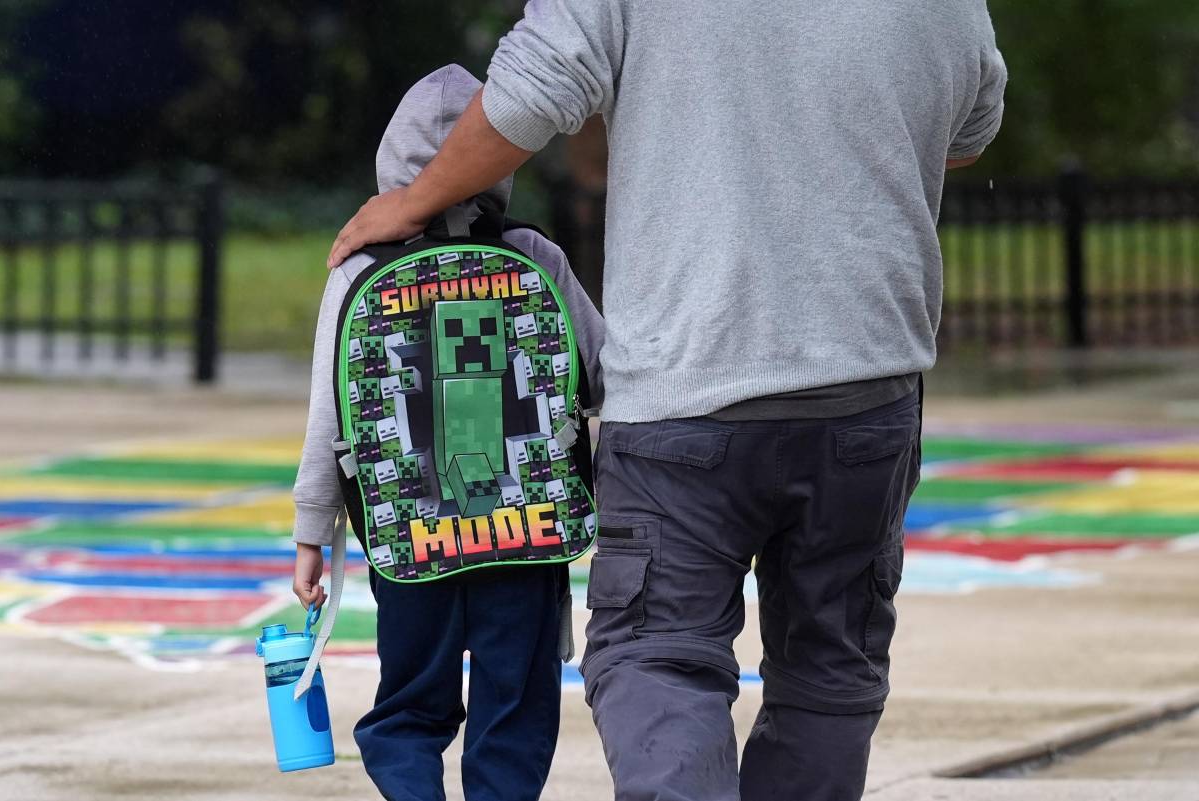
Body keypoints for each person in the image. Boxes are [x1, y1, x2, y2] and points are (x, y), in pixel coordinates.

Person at [326, 3, 1007, 799]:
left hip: (688, 387)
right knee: (829, 666)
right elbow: (971, 128)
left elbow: (529, 92)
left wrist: (418, 200)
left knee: (657, 655)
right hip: (867, 384)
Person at [292, 64, 604, 801]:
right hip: (523, 533)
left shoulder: (359, 268)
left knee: (408, 704)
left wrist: (312, 532)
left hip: (410, 536)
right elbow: (600, 373)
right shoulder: (534, 256)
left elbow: (330, 413)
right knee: (515, 706)